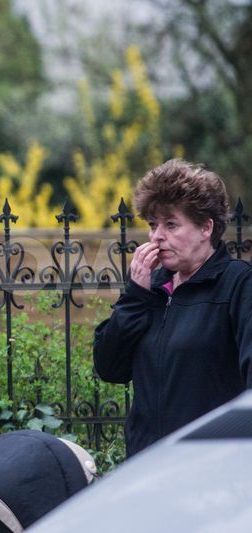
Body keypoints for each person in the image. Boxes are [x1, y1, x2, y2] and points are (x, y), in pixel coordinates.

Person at [94, 159, 252, 456]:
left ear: (206, 228)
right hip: (147, 466)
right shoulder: (150, 290)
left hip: (210, 466)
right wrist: (135, 294)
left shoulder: (238, 284)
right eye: (153, 225)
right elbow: (109, 368)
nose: (156, 236)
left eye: (171, 224)